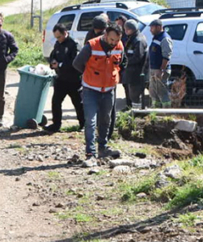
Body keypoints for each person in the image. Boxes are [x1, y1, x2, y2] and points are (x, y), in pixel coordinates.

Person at [73, 23, 127, 160]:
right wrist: (88, 75)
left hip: (109, 89)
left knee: (105, 120)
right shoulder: (91, 46)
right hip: (91, 89)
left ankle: (102, 148)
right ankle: (90, 153)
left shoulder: (119, 46)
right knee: (90, 121)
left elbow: (122, 62)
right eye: (111, 39)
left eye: (116, 40)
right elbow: (77, 63)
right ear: (105, 35)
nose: (113, 43)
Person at [45, 24, 84, 133]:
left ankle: (83, 125)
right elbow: (53, 55)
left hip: (73, 80)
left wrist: (61, 65)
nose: (58, 39)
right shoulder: (58, 43)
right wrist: (52, 62)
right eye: (56, 37)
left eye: (59, 37)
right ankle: (56, 125)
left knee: (78, 103)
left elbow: (75, 62)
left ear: (65, 33)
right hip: (61, 79)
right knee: (56, 102)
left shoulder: (74, 45)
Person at [122, 20, 148, 110]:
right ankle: (131, 110)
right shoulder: (132, 38)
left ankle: (137, 114)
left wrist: (125, 61)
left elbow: (138, 57)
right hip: (131, 72)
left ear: (131, 29)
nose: (125, 31)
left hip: (136, 72)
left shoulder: (138, 40)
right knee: (131, 93)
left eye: (126, 29)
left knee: (135, 95)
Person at [148, 19, 173, 108]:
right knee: (153, 92)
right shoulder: (156, 37)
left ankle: (167, 112)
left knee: (162, 92)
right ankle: (156, 110)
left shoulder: (164, 38)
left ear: (159, 27)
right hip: (154, 69)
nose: (150, 30)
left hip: (160, 70)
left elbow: (166, 56)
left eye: (152, 27)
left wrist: (162, 70)